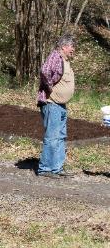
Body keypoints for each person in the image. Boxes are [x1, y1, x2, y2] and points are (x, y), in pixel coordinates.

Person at [36, 34, 77, 178]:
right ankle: (45, 168)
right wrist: (49, 87)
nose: (73, 49)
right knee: (52, 137)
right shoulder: (55, 57)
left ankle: (56, 168)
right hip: (52, 104)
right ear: (64, 46)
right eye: (72, 46)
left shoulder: (65, 61)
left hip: (60, 105)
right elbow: (45, 71)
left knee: (60, 137)